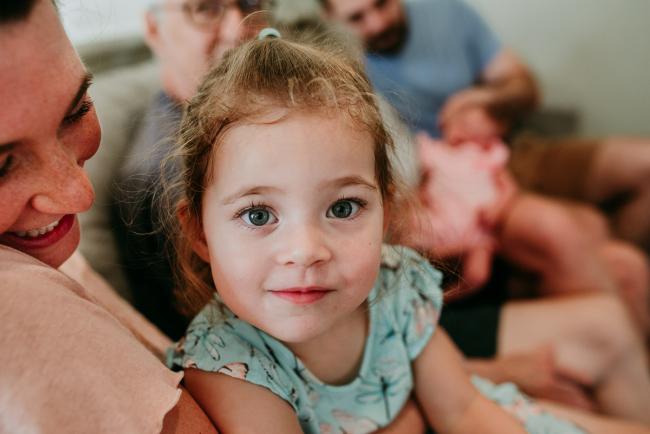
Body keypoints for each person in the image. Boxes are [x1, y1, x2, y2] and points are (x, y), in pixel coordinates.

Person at [163, 30, 650, 433]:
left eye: (344, 206)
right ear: (200, 232)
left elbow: (465, 412)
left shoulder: (394, 286)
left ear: (386, 211)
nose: (306, 250)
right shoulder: (230, 366)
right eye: (258, 215)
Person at [0, 1, 220, 432]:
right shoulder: (17, 304)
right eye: (2, 165)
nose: (79, 195)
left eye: (77, 110)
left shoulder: (47, 255)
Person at [320, 0, 650, 255]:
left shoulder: (444, 12)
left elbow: (524, 85)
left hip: (517, 149)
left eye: (382, 3)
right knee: (579, 231)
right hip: (453, 186)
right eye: (357, 17)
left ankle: (619, 269)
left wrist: (488, 102)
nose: (377, 22)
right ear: (332, 18)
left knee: (644, 163)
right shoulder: (344, 72)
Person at [114, 0, 267, 338]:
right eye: (205, 9)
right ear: (154, 29)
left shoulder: (251, 116)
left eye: (252, 5)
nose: (238, 29)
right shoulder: (164, 176)